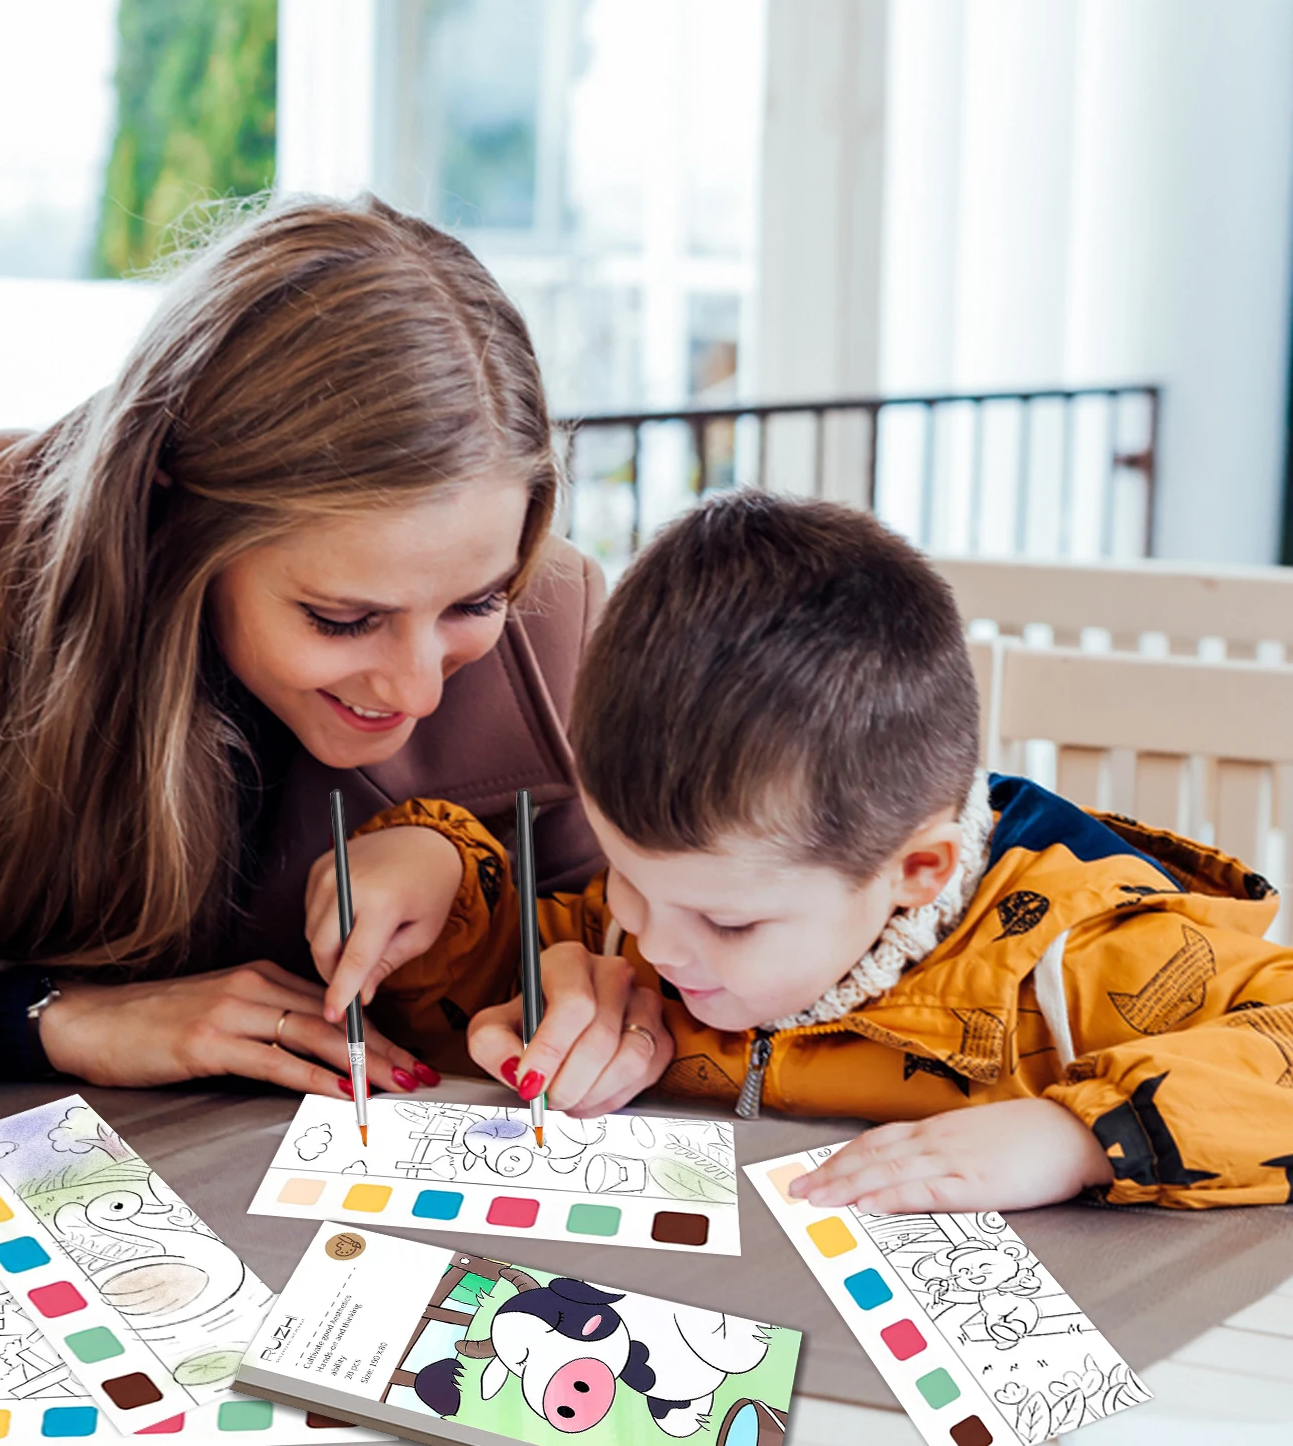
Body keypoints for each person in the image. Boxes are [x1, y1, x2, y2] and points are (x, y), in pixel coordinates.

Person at [0, 195, 604, 1097]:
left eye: (475, 601)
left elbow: (652, 946)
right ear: (172, 507)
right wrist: (43, 1018)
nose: (417, 690)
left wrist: (598, 990)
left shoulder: (553, 627)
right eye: (342, 618)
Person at [359, 492, 1293, 1210]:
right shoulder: (666, 905)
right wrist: (434, 875)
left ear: (914, 873)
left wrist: (1076, 1139)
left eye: (728, 921)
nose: (657, 946)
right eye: (628, 882)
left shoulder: (1090, 953)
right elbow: (471, 1001)